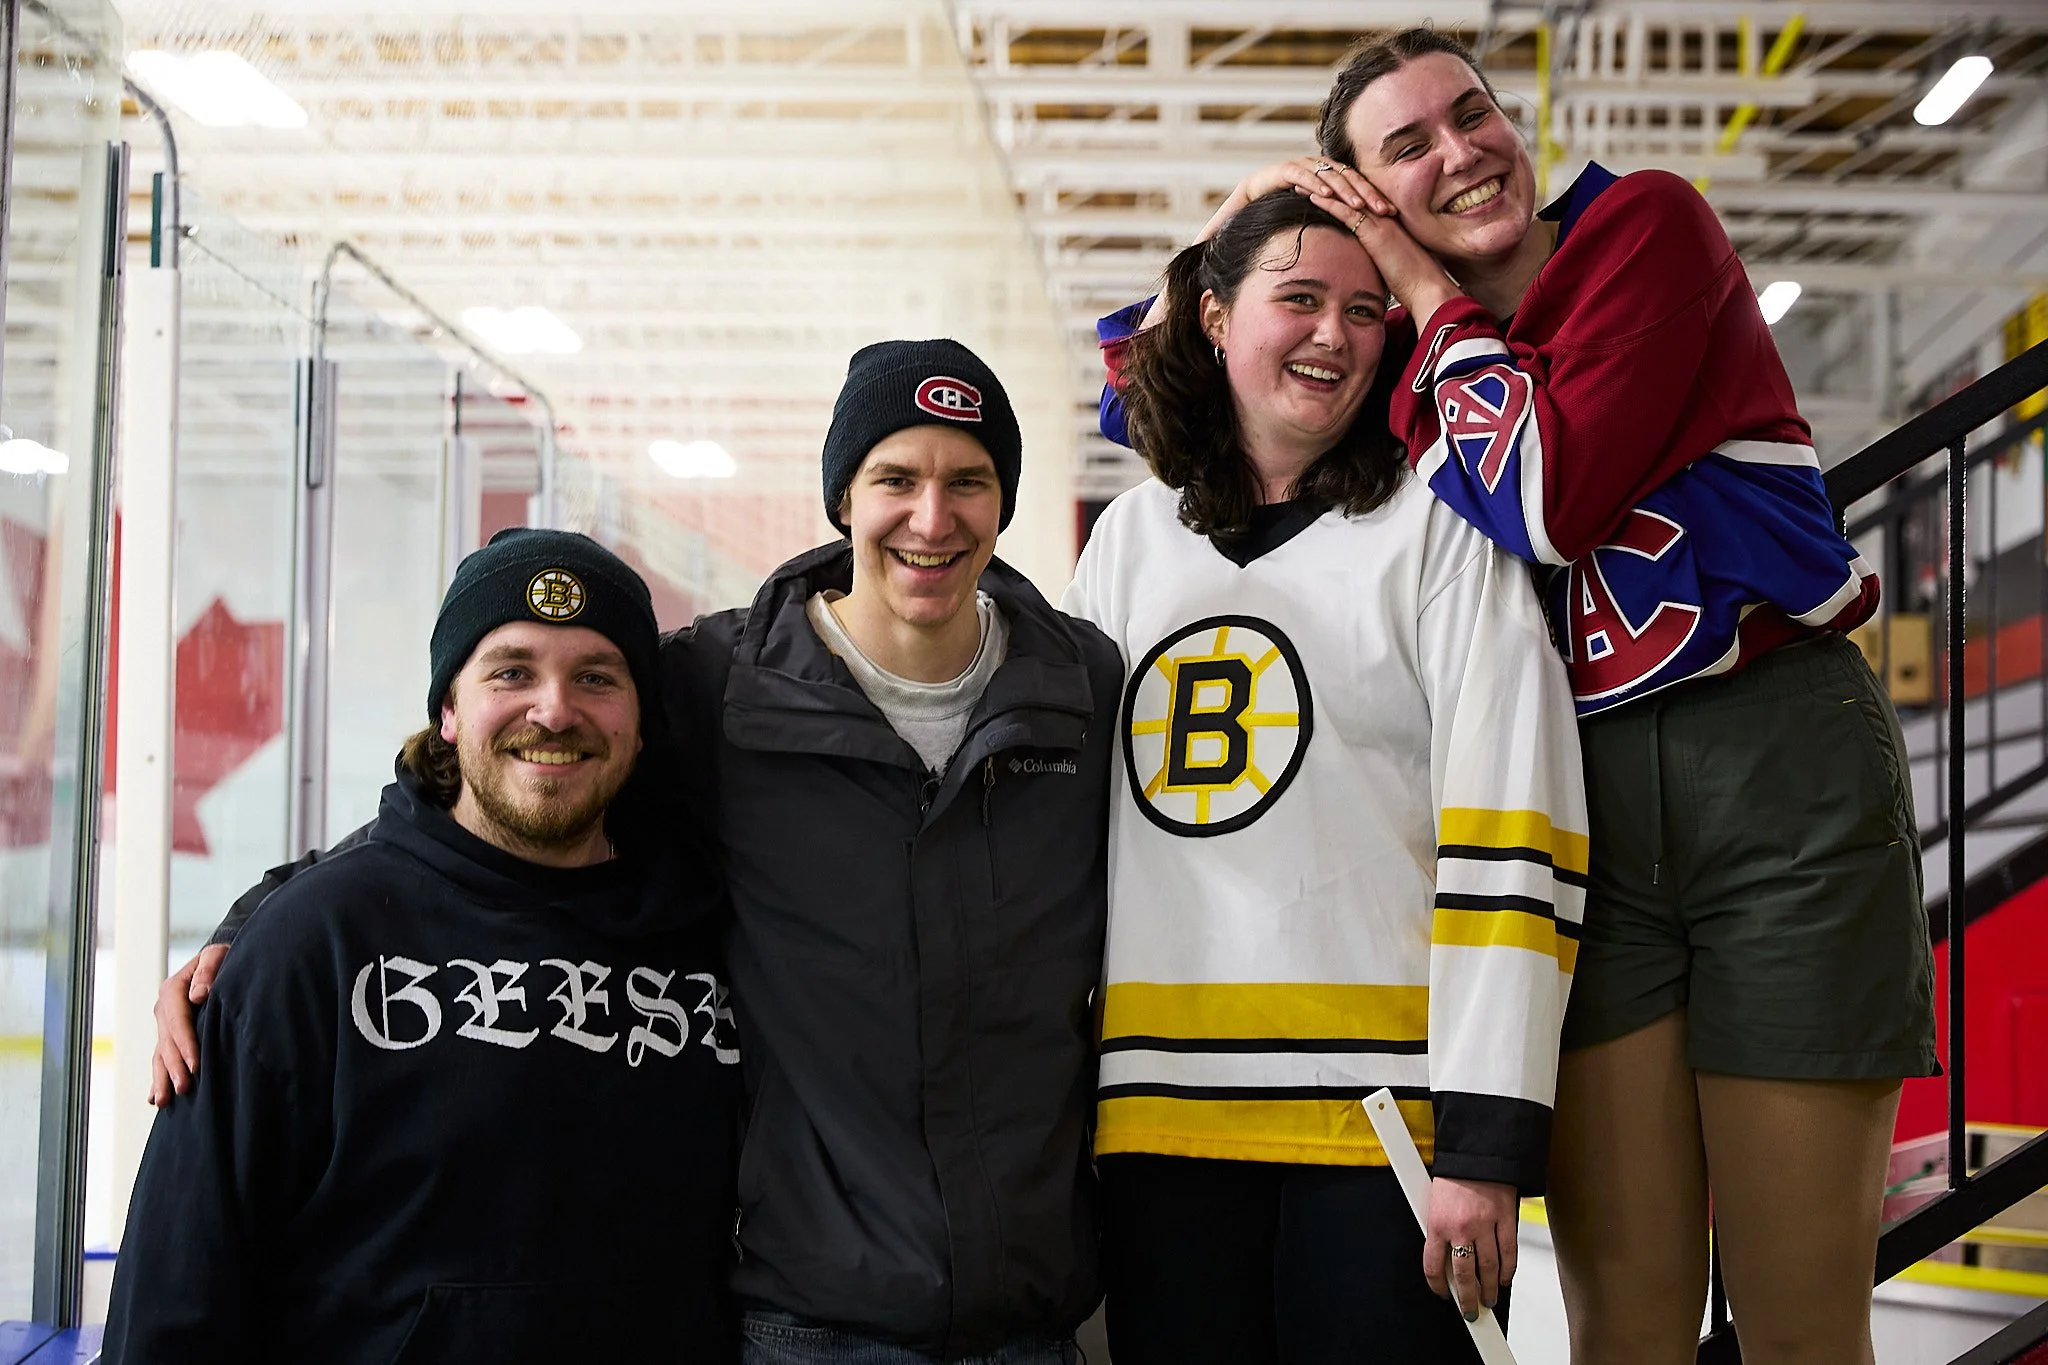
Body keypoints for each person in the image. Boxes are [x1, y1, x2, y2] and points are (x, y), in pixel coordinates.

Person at [1100, 28, 1936, 1365]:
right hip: (1581, 793)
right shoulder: (1397, 359)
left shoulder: (1639, 226)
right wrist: (1250, 220)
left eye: (1472, 112)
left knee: (1801, 1320)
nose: (1462, 150)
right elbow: (1157, 396)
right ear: (1359, 192)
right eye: (1405, 148)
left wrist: (1421, 279)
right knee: (1624, 1324)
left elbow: (1545, 495)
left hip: (1766, 751)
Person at [153, 340, 1124, 1364]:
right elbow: (491, 798)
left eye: (966, 481)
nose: (931, 518)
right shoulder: (719, 686)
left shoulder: (1082, 688)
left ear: (1003, 500)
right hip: (812, 1324)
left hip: (1033, 1323)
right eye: (895, 478)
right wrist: (263, 924)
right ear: (843, 496)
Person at [1067, 188, 1586, 1363]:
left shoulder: (1440, 527)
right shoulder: (1126, 540)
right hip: (1154, 1129)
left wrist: (1486, 1141)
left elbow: (1515, 824)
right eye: (1296, 299)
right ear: (1208, 316)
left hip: (1383, 1130)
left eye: (1363, 310)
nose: (1333, 335)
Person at [104, 530, 741, 1364]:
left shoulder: (717, 929)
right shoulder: (312, 945)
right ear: (447, 709)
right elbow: (174, 1300)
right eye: (512, 671)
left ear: (642, 718)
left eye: (595, 676)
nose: (554, 708)